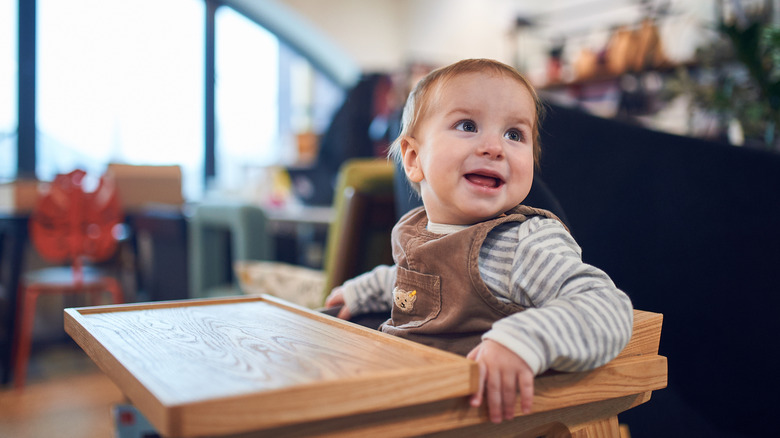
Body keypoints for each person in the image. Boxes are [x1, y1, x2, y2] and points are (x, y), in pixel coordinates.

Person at [324, 58, 633, 424]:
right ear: (413, 158)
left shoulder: (524, 243)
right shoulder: (416, 229)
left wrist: (526, 342)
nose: (494, 147)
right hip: (410, 396)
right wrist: (362, 291)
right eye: (467, 126)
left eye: (514, 134)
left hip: (483, 416)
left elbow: (607, 307)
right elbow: (415, 281)